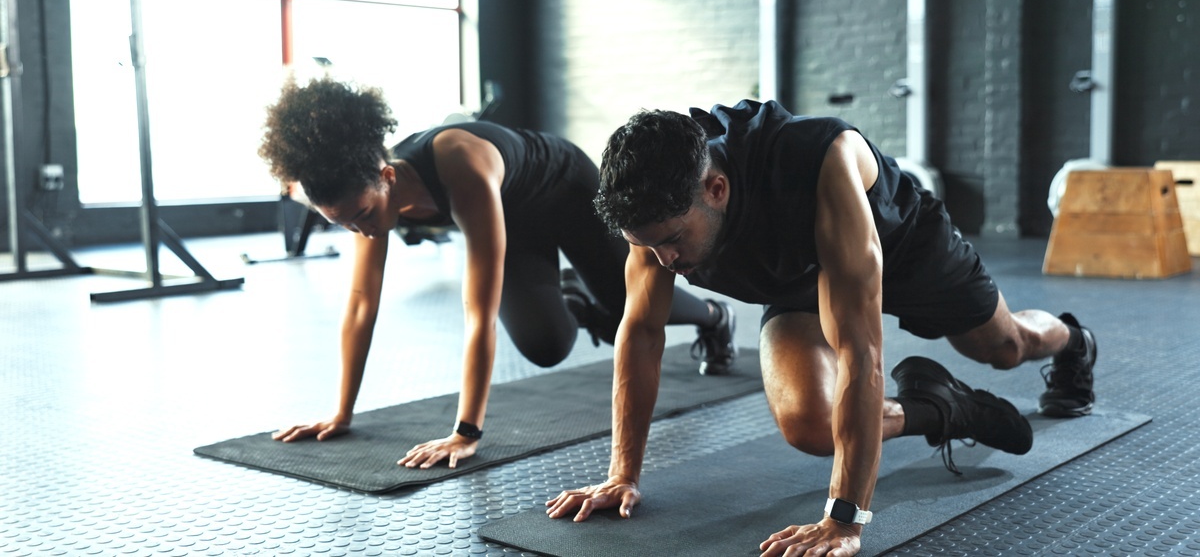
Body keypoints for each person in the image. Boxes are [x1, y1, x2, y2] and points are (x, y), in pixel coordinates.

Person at [545, 100, 1097, 556]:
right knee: (813, 426)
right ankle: (941, 406)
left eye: (674, 241)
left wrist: (845, 520)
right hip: (793, 278)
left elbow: (862, 352)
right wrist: (622, 474)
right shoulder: (656, 205)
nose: (664, 261)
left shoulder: (820, 161)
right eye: (648, 246)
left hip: (904, 247)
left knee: (1004, 347)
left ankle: (1074, 342)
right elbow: (641, 334)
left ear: (716, 189)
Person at [257, 75, 737, 470]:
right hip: (516, 220)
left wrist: (465, 432)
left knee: (628, 304)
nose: (360, 231)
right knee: (546, 346)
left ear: (386, 177)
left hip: (564, 189)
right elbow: (362, 305)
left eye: (361, 216)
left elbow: (478, 313)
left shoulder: (459, 161)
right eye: (342, 225)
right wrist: (341, 413)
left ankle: (715, 316)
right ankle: (570, 299)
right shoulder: (366, 198)